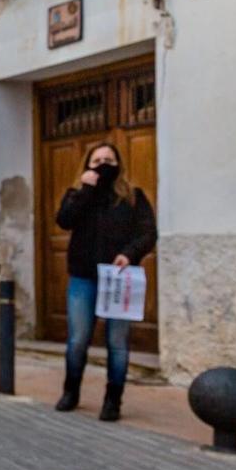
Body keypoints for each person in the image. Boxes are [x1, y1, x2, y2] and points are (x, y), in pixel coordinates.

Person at [53, 140, 156, 421]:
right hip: (83, 277)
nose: (103, 165)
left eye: (109, 160)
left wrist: (129, 253)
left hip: (118, 278)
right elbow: (64, 221)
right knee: (77, 340)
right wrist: (85, 189)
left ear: (119, 165)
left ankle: (113, 401)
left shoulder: (133, 196)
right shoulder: (76, 194)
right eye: (97, 160)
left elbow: (148, 233)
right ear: (87, 165)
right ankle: (70, 392)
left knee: (118, 342)